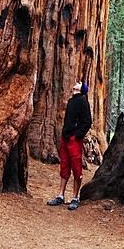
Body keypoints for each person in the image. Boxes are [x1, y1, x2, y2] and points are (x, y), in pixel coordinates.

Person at [47, 80, 92, 210]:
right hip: (65, 138)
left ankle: (75, 197)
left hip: (74, 140)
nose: (76, 82)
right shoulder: (72, 101)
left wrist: (77, 135)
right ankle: (60, 196)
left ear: (81, 88)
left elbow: (87, 122)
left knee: (77, 168)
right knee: (64, 167)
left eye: (79, 82)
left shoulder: (83, 101)